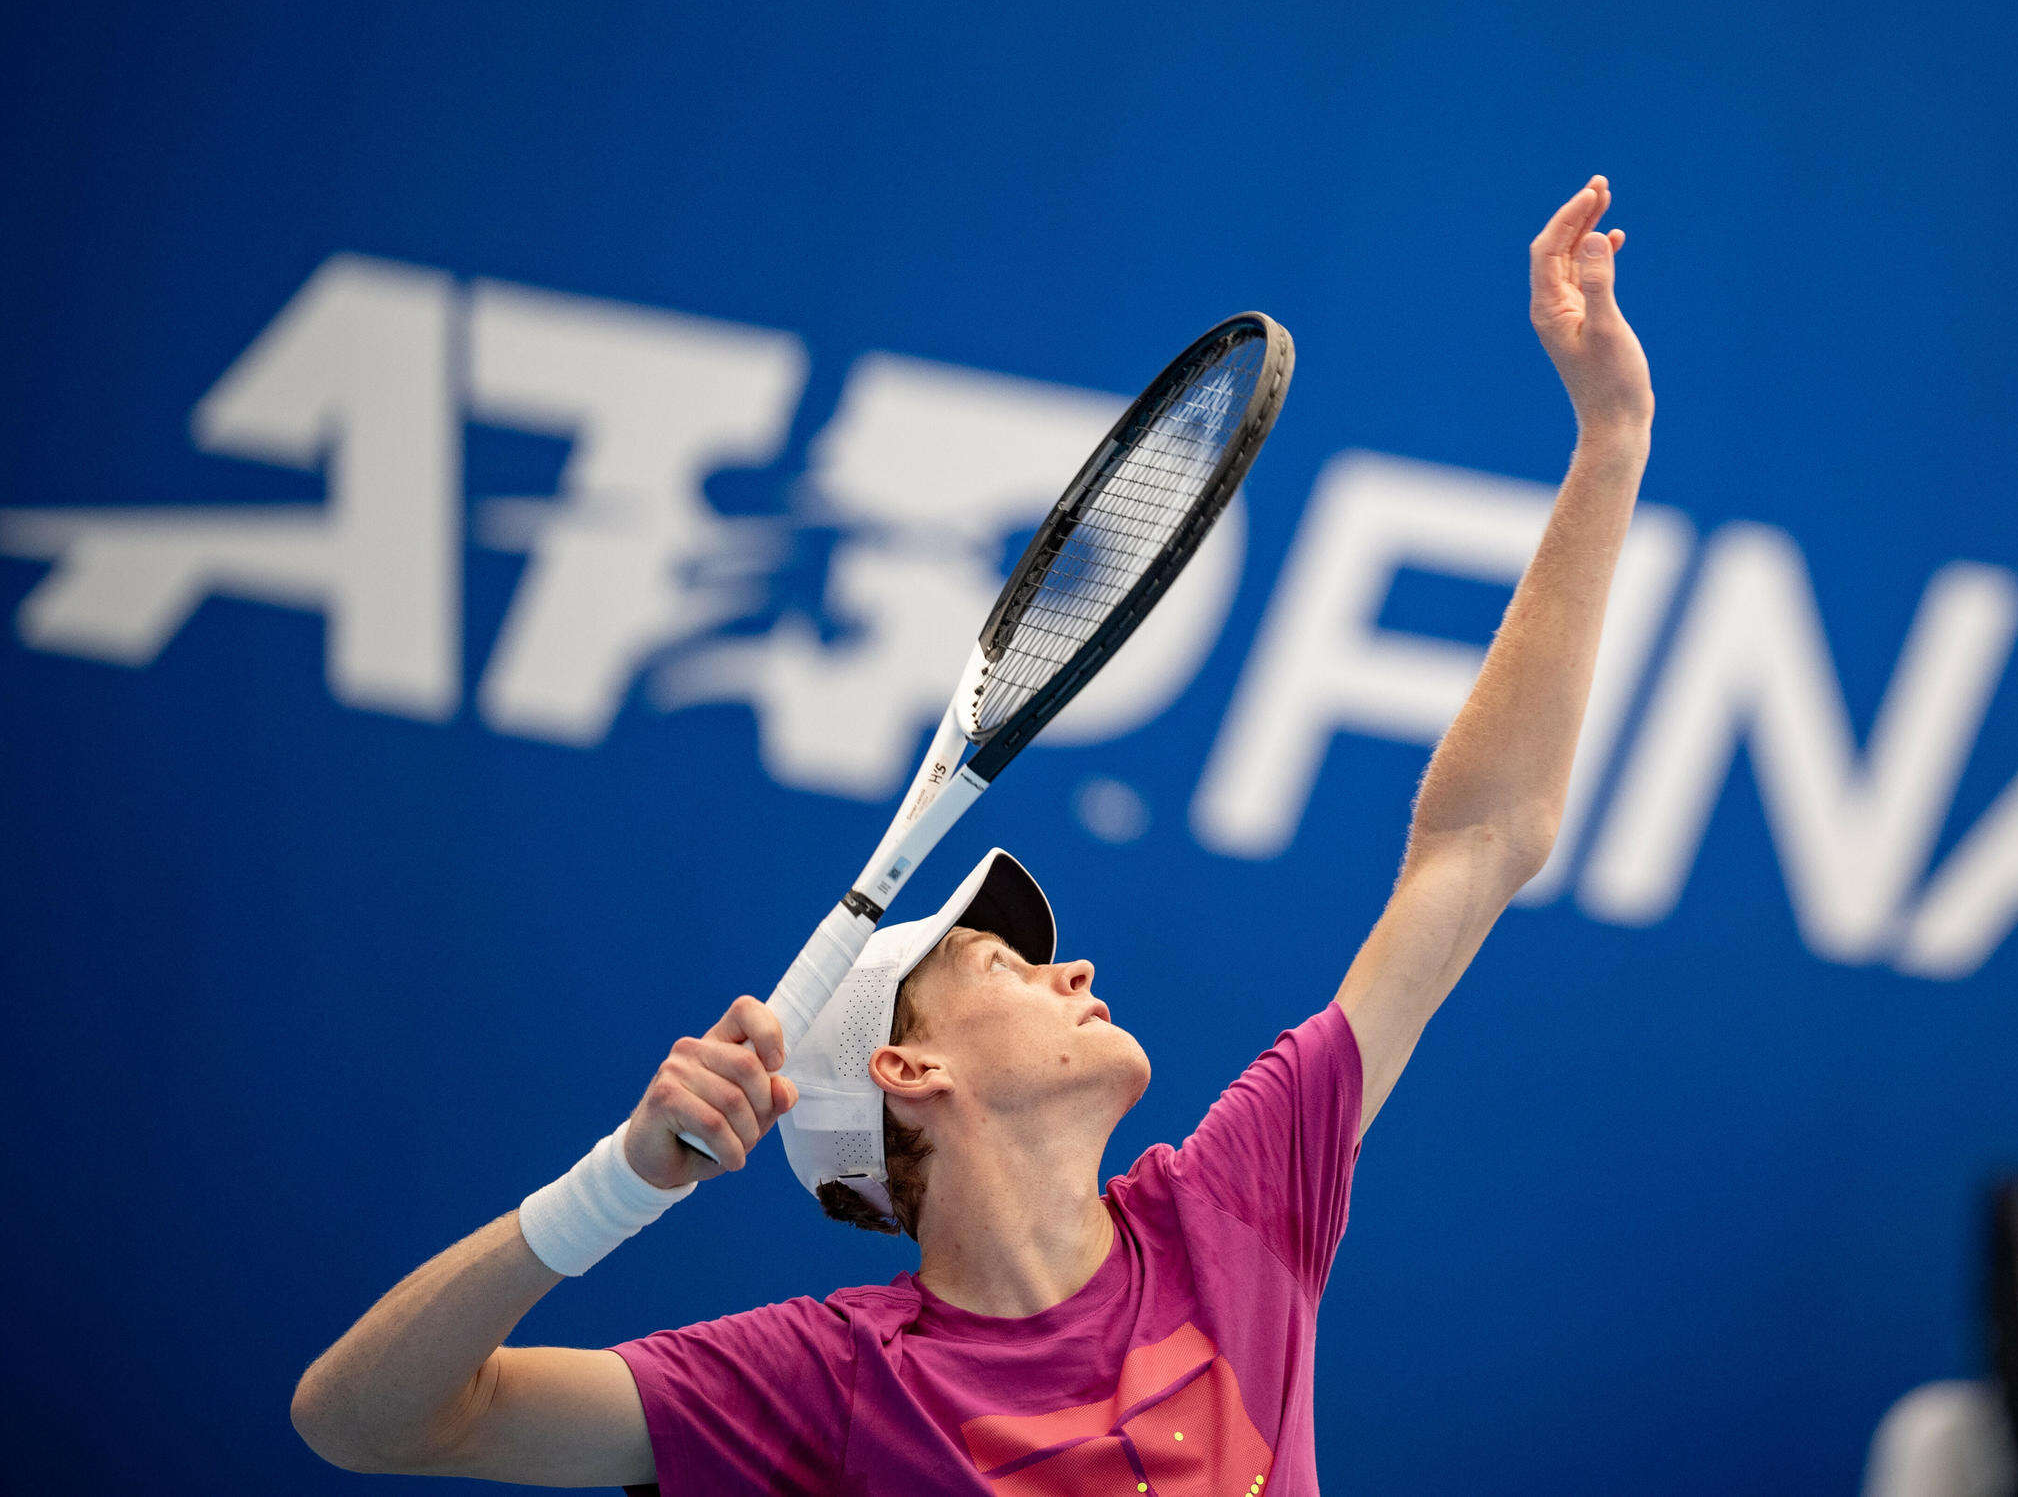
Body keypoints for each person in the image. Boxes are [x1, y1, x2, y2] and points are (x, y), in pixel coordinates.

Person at [291, 176, 1655, 1494]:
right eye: (1006, 967)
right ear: (909, 1067)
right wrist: (617, 1187)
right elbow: (373, 1422)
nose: (1072, 971)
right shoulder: (821, 1388)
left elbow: (1480, 843)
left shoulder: (1228, 1210)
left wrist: (1608, 449)